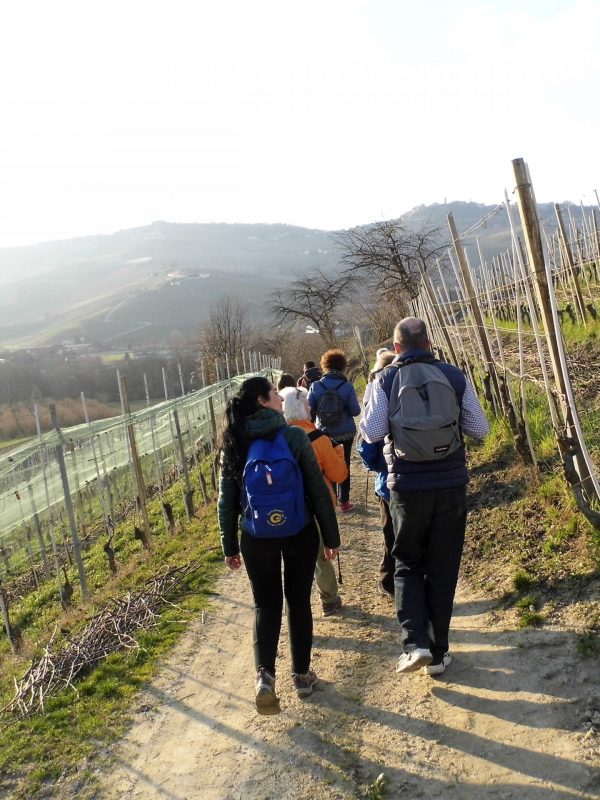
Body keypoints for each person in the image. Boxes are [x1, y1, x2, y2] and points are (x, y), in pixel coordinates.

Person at [360, 317, 489, 676]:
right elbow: (480, 428)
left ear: (397, 348)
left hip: (407, 488)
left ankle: (415, 643)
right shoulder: (453, 375)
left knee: (407, 563)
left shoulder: (385, 378)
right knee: (443, 568)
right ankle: (441, 652)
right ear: (430, 344)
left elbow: (370, 433)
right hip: (450, 486)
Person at [217, 377, 340, 712]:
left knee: (265, 605)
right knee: (298, 602)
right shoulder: (295, 436)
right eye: (274, 394)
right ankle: (301, 676)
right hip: (299, 531)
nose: (280, 399)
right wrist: (331, 538)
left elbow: (227, 500)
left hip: (256, 537)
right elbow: (317, 491)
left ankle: (264, 678)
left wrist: (229, 546)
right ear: (262, 401)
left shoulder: (235, 441)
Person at [280, 386, 348, 616]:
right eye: (308, 405)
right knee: (321, 555)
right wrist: (338, 452)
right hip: (316, 504)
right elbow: (339, 475)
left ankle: (295, 606)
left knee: (293, 559)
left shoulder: (278, 437)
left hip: (287, 506)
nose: (311, 407)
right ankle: (329, 599)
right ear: (301, 408)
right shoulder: (318, 439)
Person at [308, 349, 361, 513]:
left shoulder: (316, 386)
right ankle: (344, 501)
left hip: (324, 433)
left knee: (326, 464)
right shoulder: (347, 386)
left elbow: (310, 410)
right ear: (343, 366)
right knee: (344, 464)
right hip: (345, 433)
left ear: (324, 366)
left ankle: (331, 500)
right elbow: (355, 411)